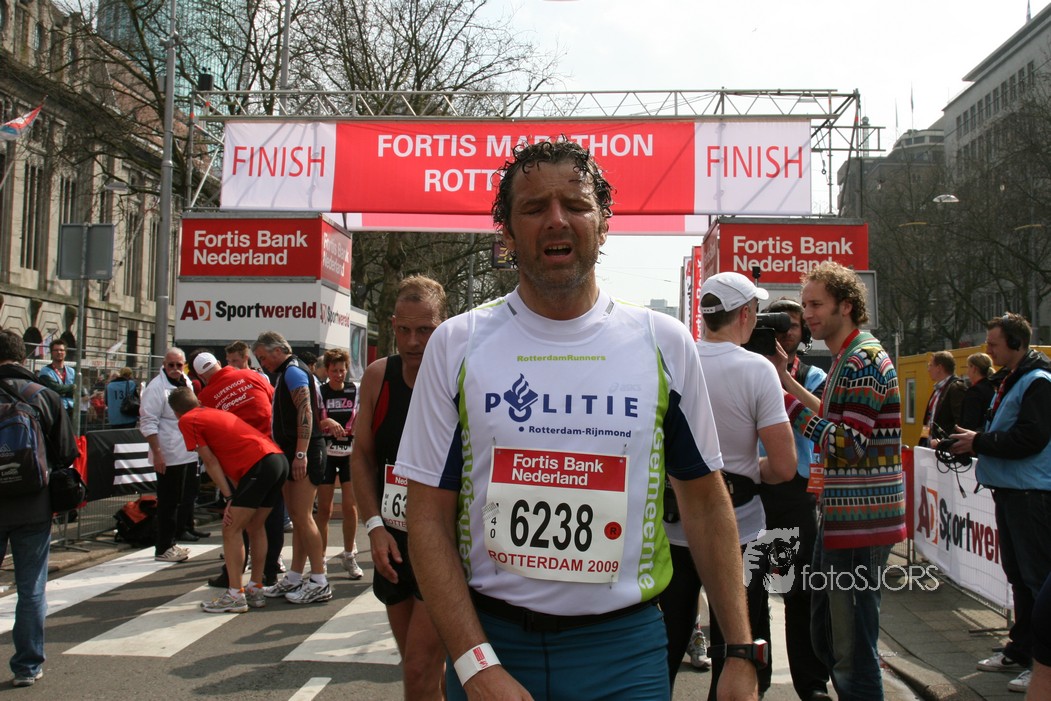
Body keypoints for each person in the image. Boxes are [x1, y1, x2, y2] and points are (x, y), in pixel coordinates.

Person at [395, 140, 759, 701]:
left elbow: (706, 502)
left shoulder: (662, 342)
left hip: (625, 652)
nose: (557, 219)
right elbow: (427, 519)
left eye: (576, 204)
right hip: (492, 641)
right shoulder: (456, 343)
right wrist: (474, 663)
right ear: (506, 233)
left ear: (604, 223)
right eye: (533, 207)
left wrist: (739, 649)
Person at [775, 260, 906, 700]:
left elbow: (849, 444)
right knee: (829, 632)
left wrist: (787, 407)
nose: (807, 315)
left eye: (816, 304)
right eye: (806, 305)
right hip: (844, 517)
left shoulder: (863, 360)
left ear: (845, 306)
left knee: (851, 648)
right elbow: (834, 416)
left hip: (860, 523)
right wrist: (784, 380)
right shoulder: (848, 356)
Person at [662, 272, 796, 697]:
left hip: (673, 528)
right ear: (745, 314)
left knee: (663, 649)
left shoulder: (672, 363)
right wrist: (748, 471)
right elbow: (784, 466)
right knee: (736, 650)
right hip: (738, 530)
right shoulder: (758, 370)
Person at [351, 275, 449, 701]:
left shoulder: (460, 377)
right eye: (404, 329)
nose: (413, 341)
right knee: (421, 666)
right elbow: (362, 456)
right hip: (393, 539)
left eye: (425, 329)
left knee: (418, 668)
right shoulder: (379, 376)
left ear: (443, 325)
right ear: (392, 325)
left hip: (442, 543)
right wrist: (374, 526)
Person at [949, 313, 1051, 694]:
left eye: (993, 344)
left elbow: (1031, 438)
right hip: (1013, 491)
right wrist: (977, 440)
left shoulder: (1038, 382)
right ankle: (1021, 650)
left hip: (1030, 494)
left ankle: (1042, 665)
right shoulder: (1014, 378)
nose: (987, 350)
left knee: (1036, 580)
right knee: (1020, 578)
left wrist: (979, 441)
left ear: (1017, 344)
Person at [759, 297, 832, 701]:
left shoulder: (813, 375)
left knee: (800, 591)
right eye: (778, 324)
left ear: (803, 334)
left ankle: (812, 683)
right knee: (752, 589)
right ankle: (755, 680)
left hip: (794, 490)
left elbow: (822, 419)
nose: (786, 332)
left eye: (794, 325)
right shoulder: (745, 367)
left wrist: (783, 376)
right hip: (753, 486)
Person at [0, 329, 79, 687]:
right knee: (31, 588)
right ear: (24, 356)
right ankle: (27, 666)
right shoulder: (43, 395)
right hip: (33, 504)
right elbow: (67, 452)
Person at [169, 388, 289, 613]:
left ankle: (235, 594)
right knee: (255, 526)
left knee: (231, 529)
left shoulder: (188, 420)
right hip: (277, 460)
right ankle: (255, 588)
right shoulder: (212, 412)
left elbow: (210, 461)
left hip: (259, 464)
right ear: (197, 400)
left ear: (175, 412)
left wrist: (229, 497)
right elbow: (231, 460)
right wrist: (234, 496)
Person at [253, 331, 330, 604]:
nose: (262, 363)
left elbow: (305, 410)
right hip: (292, 450)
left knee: (303, 516)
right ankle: (296, 576)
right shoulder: (289, 371)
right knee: (298, 518)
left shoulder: (293, 371)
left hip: (303, 451)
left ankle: (319, 580)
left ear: (277, 350)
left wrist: (300, 453)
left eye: (263, 357)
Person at [193, 351, 282, 587]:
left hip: (243, 462)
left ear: (201, 377)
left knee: (237, 523)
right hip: (274, 453)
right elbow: (275, 402)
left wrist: (227, 493)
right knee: (270, 518)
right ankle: (269, 572)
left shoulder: (206, 396)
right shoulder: (251, 376)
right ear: (219, 364)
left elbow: (211, 443)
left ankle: (233, 577)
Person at [139, 348, 197, 563]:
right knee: (168, 501)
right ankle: (163, 546)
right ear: (164, 365)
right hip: (168, 452)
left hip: (186, 451)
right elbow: (148, 422)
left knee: (181, 499)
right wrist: (157, 453)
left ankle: (172, 541)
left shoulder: (186, 382)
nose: (174, 369)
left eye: (178, 365)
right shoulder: (156, 388)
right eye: (170, 365)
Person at [317, 348, 363, 580]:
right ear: (327, 371)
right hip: (327, 454)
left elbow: (364, 417)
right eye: (334, 371)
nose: (338, 375)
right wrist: (327, 421)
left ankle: (348, 555)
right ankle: (321, 558)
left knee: (349, 506)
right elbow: (313, 422)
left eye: (342, 370)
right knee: (324, 508)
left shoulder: (355, 390)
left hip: (349, 454)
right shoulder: (320, 391)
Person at [921, 350, 966, 445]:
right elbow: (928, 420)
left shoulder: (955, 388)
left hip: (944, 448)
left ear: (939, 368)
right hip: (930, 446)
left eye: (930, 365)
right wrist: (923, 441)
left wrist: (945, 442)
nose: (928, 369)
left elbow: (960, 422)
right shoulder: (937, 390)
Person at [958, 352, 996, 432]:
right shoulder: (993, 387)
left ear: (974, 369)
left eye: (968, 367)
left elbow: (970, 422)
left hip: (974, 436)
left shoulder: (975, 391)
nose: (967, 372)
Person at [37, 340, 75, 419]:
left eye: (61, 350)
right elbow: (55, 389)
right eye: (56, 350)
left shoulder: (71, 371)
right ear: (51, 353)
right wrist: (73, 387)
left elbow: (80, 391)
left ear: (65, 352)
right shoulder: (45, 371)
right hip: (54, 410)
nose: (59, 352)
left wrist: (63, 391)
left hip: (71, 410)